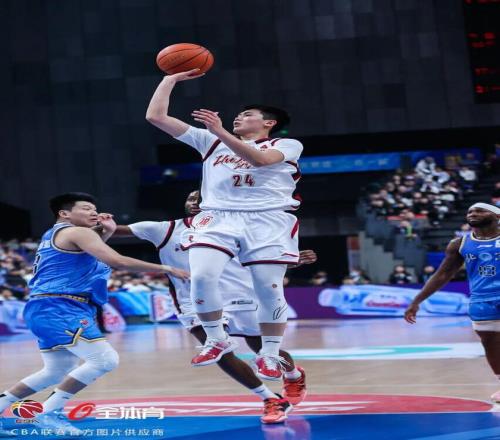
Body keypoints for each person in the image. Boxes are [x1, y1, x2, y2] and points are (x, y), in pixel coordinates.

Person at [146, 70, 303, 380]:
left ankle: (270, 353)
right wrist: (169, 80)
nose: (238, 118)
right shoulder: (211, 141)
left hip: (267, 219)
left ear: (268, 123)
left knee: (269, 288)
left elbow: (261, 161)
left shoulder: (287, 144)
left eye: (247, 115)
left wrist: (219, 130)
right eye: (237, 115)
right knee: (202, 276)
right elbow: (156, 117)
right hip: (218, 216)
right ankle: (217, 339)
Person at [114, 190, 316, 424]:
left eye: (201, 199)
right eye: (191, 198)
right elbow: (114, 231)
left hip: (241, 294)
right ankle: (270, 399)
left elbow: (259, 260)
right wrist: (88, 225)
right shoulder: (164, 229)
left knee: (261, 347)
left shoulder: (237, 227)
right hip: (193, 301)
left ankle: (293, 374)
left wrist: (289, 261)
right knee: (220, 352)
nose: (195, 202)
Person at [0, 193, 188, 435]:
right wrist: (167, 268)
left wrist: (107, 232)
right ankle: (48, 413)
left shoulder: (55, 235)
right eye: (86, 208)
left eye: (95, 209)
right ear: (64, 213)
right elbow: (117, 261)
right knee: (105, 360)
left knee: (56, 370)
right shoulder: (77, 232)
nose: (94, 213)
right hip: (60, 306)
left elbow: (89, 259)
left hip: (48, 307)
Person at [405, 202, 500, 402]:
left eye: (480, 210)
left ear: (496, 216)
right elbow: (443, 274)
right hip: (482, 300)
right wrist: (417, 300)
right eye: (470, 211)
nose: (473, 213)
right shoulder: (459, 244)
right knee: (489, 343)